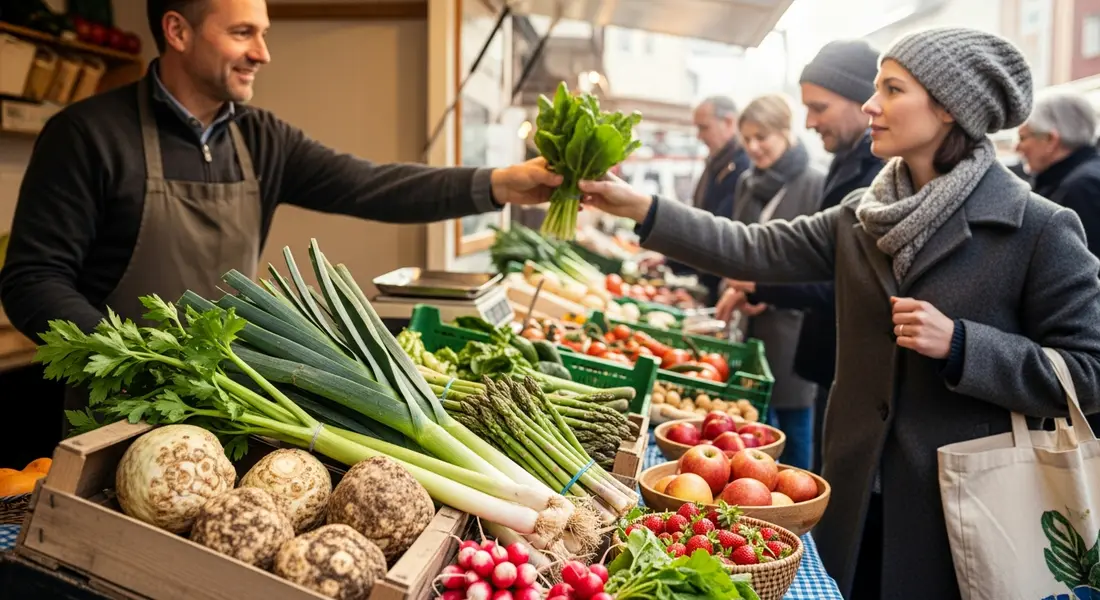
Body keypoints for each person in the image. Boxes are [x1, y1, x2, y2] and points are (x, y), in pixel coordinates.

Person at [575, 27, 1100, 599]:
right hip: (857, 485)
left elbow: (1089, 371)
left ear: (951, 108)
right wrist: (637, 205)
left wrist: (964, 345)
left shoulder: (1040, 226)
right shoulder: (862, 216)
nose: (871, 105)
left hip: (964, 503)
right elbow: (752, 246)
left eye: (892, 89)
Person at [0, 0, 560, 433]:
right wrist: (141, 360)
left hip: (232, 403)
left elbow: (371, 185)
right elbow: (32, 281)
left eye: (262, 33)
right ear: (177, 31)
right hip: (116, 410)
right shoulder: (86, 136)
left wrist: (500, 184)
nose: (263, 53)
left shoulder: (262, 139)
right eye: (243, 32)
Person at [715, 39, 885, 473]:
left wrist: (762, 284)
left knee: (804, 460)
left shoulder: (865, 176)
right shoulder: (841, 168)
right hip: (820, 355)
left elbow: (835, 272)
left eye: (819, 107)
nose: (809, 121)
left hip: (824, 351)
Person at [724, 93, 824, 471]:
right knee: (752, 428)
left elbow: (817, 264)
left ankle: (797, 513)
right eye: (747, 138)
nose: (753, 147)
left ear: (786, 132)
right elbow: (734, 245)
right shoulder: (747, 183)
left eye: (762, 137)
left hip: (792, 326)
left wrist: (768, 293)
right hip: (747, 327)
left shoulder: (815, 184)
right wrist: (733, 287)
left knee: (795, 432)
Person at [665, 96, 751, 305]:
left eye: (704, 128)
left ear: (729, 122)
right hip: (709, 279)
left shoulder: (741, 168)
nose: (699, 136)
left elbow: (715, 228)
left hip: (724, 286)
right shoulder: (717, 162)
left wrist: (673, 258)